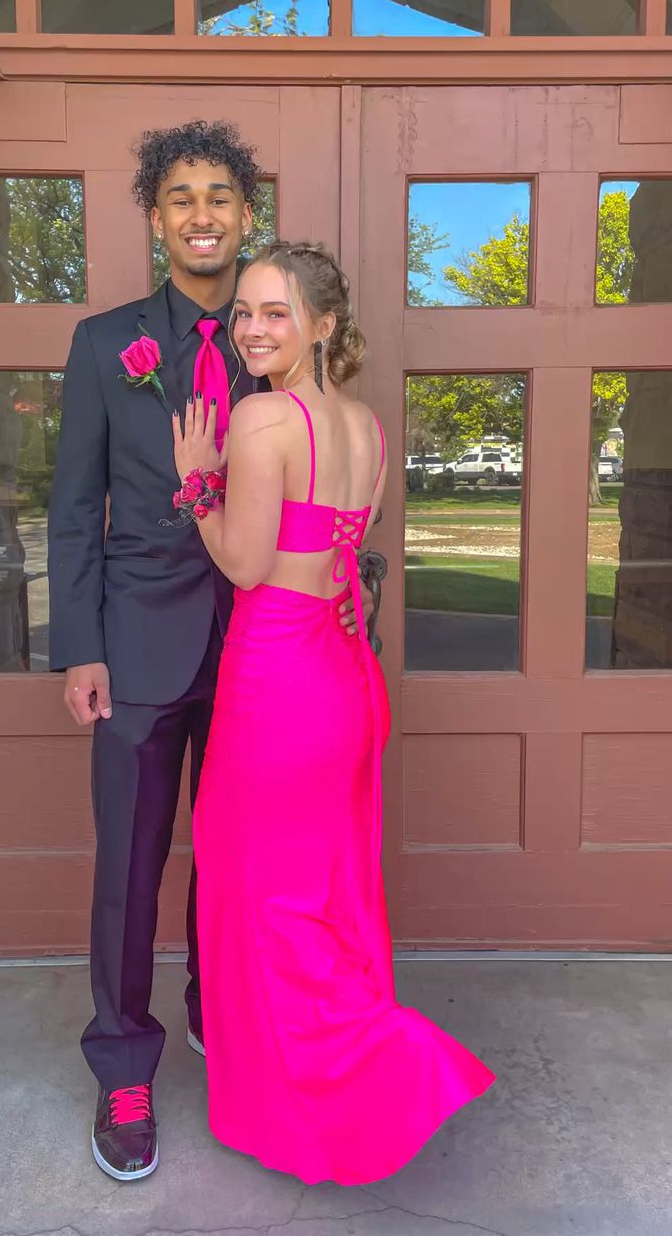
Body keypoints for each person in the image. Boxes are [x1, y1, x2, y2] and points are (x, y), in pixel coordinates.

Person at [48, 121, 368, 1182]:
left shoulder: (272, 335)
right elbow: (72, 504)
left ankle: (213, 1012)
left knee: (236, 857)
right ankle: (124, 1063)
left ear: (245, 214)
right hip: (137, 647)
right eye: (180, 196)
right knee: (131, 869)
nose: (200, 213)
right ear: (155, 217)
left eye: (219, 196)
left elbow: (327, 506)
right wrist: (79, 647)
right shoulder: (106, 345)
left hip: (261, 658)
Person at [172, 240, 495, 1186]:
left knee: (259, 888)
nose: (254, 329)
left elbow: (243, 561)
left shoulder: (262, 417)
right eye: (244, 314)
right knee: (318, 885)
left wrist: (197, 478)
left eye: (276, 312)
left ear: (321, 325)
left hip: (277, 680)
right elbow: (346, 560)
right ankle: (308, 1078)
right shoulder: (369, 428)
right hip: (346, 679)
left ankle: (372, 1070)